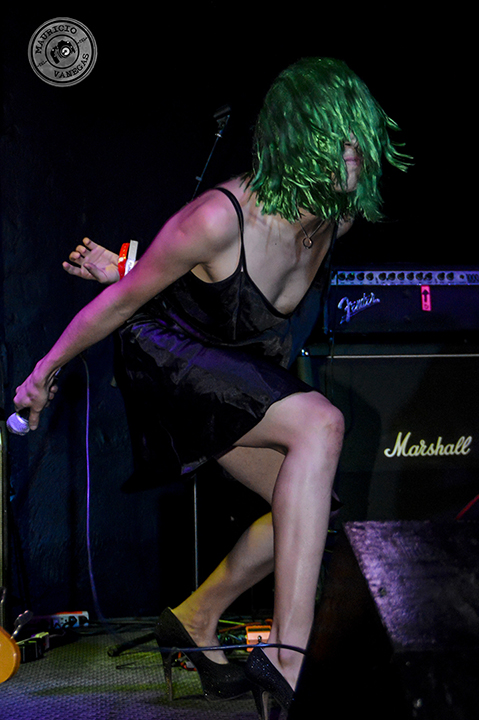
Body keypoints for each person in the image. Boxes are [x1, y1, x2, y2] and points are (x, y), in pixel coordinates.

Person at [13, 57, 410, 716]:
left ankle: (196, 615)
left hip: (235, 372)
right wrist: (41, 373)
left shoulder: (335, 221)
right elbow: (121, 306)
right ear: (301, 139)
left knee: (311, 512)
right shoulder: (218, 216)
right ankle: (287, 656)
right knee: (321, 422)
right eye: (342, 141)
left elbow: (223, 309)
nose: (356, 157)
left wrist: (127, 271)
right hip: (166, 363)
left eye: (359, 142)